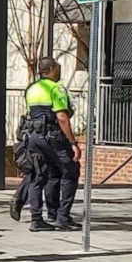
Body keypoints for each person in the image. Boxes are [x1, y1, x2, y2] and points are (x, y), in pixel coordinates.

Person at [21, 58, 81, 232]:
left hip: (33, 137)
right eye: (58, 68)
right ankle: (62, 217)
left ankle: (39, 218)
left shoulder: (31, 88)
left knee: (42, 175)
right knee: (70, 171)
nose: (60, 71)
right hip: (53, 136)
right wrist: (73, 142)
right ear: (52, 69)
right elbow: (62, 117)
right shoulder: (56, 88)